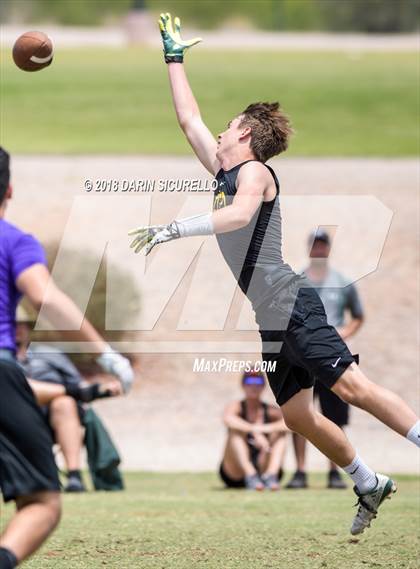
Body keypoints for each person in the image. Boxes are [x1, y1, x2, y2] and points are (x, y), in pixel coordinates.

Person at [129, 13, 420, 536]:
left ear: (244, 133)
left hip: (292, 302)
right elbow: (188, 120)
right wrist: (174, 60)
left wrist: (175, 229)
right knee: (296, 417)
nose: (217, 129)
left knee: (351, 386)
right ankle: (369, 480)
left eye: (228, 123)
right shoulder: (223, 173)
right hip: (271, 317)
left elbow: (240, 216)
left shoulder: (256, 173)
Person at [0, 147, 134, 568]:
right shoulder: (14, 241)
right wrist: (105, 353)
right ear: (9, 189)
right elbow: (44, 296)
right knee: (42, 501)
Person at [286, 229, 364, 490]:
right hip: (303, 356)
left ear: (328, 249)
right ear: (309, 248)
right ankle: (300, 471)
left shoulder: (343, 282)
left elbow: (358, 317)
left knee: (334, 416)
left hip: (333, 356)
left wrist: (343, 333)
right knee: (300, 413)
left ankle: (334, 471)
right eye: (315, 246)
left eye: (323, 246)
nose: (319, 250)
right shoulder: (296, 280)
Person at [15, 307, 123, 493]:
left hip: (54, 417)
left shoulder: (50, 355)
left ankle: (74, 476)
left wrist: (101, 389)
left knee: (64, 403)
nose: (18, 329)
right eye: (12, 324)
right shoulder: (4, 360)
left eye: (22, 324)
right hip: (15, 415)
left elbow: (78, 385)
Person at [220, 370, 288, 491]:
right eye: (249, 381)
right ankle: (250, 475)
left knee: (281, 434)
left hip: (263, 463)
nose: (253, 386)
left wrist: (261, 429)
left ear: (263, 386)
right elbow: (228, 419)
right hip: (236, 473)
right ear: (243, 385)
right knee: (234, 432)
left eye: (258, 382)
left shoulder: (271, 410)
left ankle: (271, 475)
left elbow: (289, 424)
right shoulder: (237, 406)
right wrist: (254, 431)